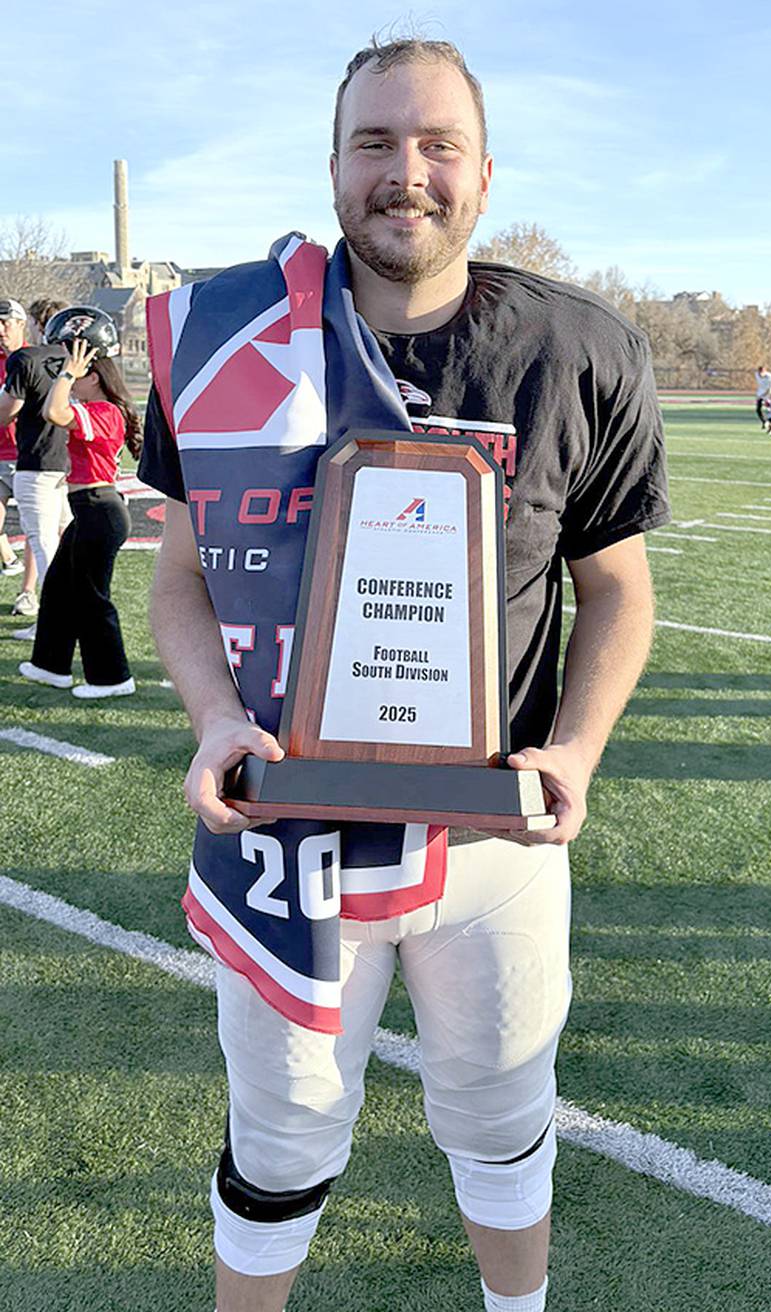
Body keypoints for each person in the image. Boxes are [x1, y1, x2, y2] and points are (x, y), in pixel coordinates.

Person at [141, 36, 669, 1312]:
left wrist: (577, 752)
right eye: (374, 142)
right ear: (332, 166)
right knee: (278, 1141)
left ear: (483, 172)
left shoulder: (574, 346)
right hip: (286, 822)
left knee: (499, 1109)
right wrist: (213, 717)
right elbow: (179, 574)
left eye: (436, 144)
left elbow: (616, 590)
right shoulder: (223, 340)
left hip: (486, 822)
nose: (405, 172)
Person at [18, 310, 139, 698]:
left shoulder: (105, 412)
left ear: (94, 377)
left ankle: (113, 678)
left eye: (77, 372)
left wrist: (67, 374)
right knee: (57, 586)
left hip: (100, 510)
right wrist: (68, 374)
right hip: (89, 509)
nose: (66, 378)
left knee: (91, 594)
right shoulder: (98, 409)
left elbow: (52, 412)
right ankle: (50, 666)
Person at [0, 299, 72, 639]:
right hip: (65, 461)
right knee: (62, 540)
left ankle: (52, 617)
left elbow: (5, 412)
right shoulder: (72, 362)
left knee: (44, 541)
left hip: (36, 459)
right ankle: (73, 610)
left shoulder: (28, 359)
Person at [0, 298, 27, 576]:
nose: (0, 329)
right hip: (0, 451)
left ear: (20, 324)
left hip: (30, 453)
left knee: (39, 530)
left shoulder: (36, 357)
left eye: (5, 322)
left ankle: (30, 592)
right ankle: (9, 558)